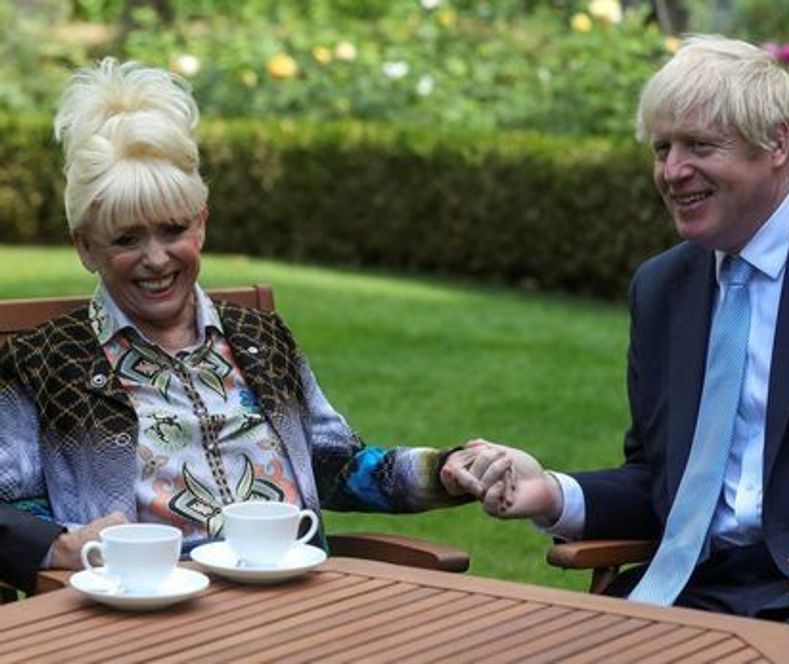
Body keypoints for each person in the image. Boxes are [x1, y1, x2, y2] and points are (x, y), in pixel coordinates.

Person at [443, 35, 789, 662]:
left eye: (700, 145)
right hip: (688, 589)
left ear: (777, 143)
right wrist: (553, 493)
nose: (673, 171)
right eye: (662, 148)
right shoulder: (663, 286)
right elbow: (665, 481)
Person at [0, 58, 475, 592]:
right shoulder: (43, 361)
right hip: (153, 606)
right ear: (86, 247)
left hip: (296, 595)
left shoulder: (261, 340)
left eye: (173, 230)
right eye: (126, 239)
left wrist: (447, 470)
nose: (156, 259)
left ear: (200, 225)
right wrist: (57, 543)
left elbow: (335, 466)